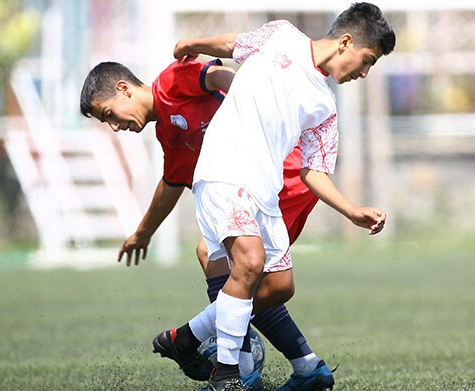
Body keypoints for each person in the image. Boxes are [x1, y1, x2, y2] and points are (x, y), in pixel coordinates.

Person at [163, 2, 395, 390]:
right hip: (223, 169)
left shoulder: (325, 106)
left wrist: (351, 210)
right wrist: (191, 42)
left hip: (263, 189)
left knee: (279, 287)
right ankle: (227, 377)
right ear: (346, 42)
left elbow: (313, 171)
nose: (364, 72)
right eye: (367, 60)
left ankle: (187, 336)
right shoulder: (282, 36)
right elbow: (231, 44)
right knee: (249, 263)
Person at [79, 59, 332, 390]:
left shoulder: (170, 82)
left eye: (109, 114)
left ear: (123, 89)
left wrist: (250, 101)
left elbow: (218, 76)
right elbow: (171, 183)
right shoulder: (168, 132)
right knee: (225, 263)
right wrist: (143, 232)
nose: (114, 126)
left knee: (235, 267)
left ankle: (214, 355)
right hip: (264, 185)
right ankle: (300, 367)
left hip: (279, 176)